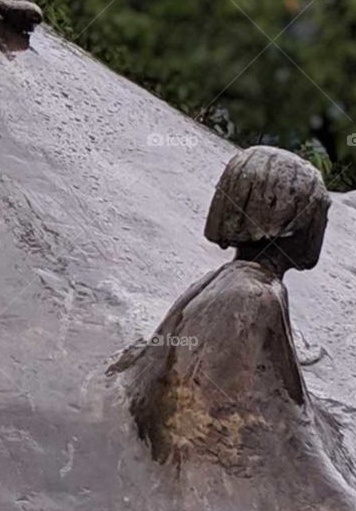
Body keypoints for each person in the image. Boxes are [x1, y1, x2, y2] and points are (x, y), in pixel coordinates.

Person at [115, 145, 330, 465]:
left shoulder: (228, 280)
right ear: (290, 223)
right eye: (320, 215)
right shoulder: (257, 296)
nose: (321, 228)